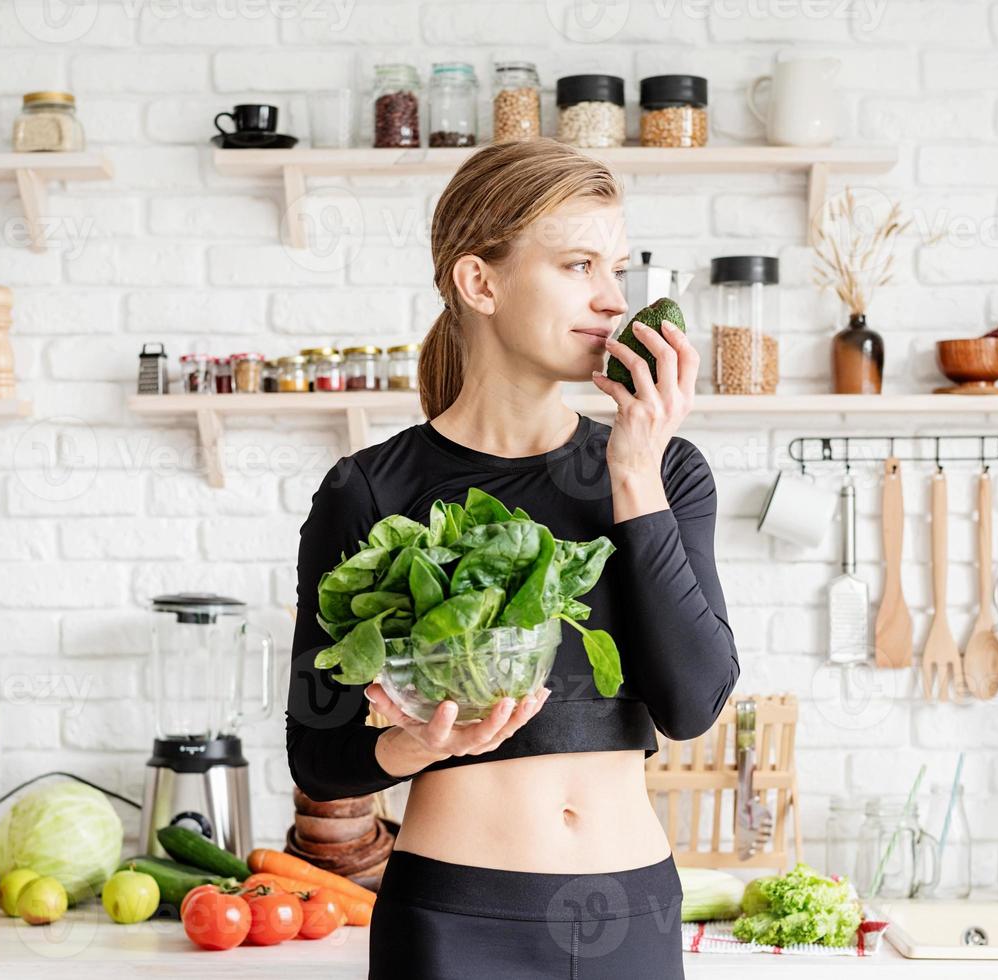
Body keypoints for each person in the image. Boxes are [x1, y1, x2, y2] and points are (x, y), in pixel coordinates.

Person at [286, 139, 740, 979]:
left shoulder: (665, 469)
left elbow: (692, 702)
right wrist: (414, 746)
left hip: (630, 909)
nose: (612, 301)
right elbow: (318, 754)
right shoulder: (370, 490)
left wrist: (634, 470)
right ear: (479, 282)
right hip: (455, 916)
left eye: (617, 269)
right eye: (577, 266)